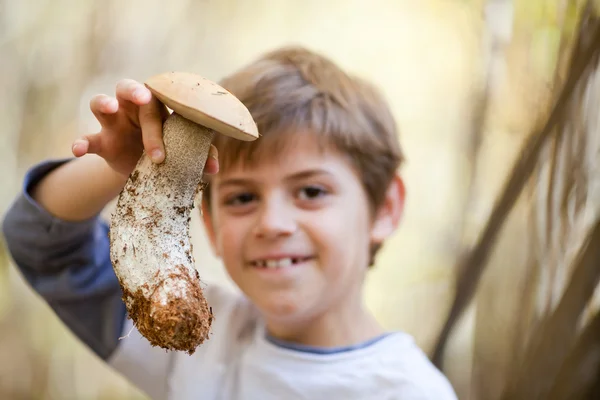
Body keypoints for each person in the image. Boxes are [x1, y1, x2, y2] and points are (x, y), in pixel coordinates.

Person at [2, 46, 457, 399]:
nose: (273, 223)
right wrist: (125, 167)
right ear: (211, 225)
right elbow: (41, 246)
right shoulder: (190, 345)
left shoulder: (409, 391)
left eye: (311, 191)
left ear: (385, 209)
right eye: (242, 197)